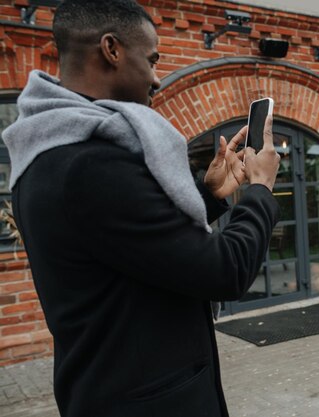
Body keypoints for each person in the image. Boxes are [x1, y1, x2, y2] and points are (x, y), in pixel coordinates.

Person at [2, 1, 280, 416]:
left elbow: (142, 250)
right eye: (150, 61)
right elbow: (226, 271)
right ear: (112, 49)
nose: (155, 78)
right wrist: (261, 188)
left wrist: (211, 197)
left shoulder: (47, 152)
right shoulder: (91, 165)